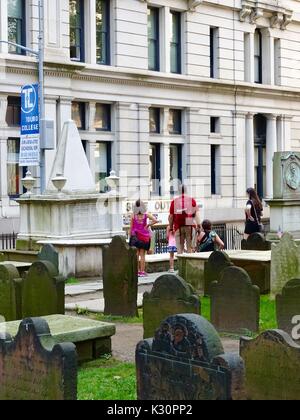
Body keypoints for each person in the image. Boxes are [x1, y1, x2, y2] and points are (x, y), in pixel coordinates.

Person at [169, 185, 201, 254]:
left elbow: (171, 217)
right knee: (190, 248)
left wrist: (171, 228)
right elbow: (196, 215)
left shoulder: (174, 202)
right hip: (189, 225)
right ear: (186, 191)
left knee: (179, 249)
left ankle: (180, 263)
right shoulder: (192, 200)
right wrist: (199, 225)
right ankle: (190, 263)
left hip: (178, 226)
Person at [130, 200, 158, 277]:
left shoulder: (133, 215)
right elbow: (155, 220)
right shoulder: (146, 215)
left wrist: (130, 237)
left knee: (136, 254)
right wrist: (148, 225)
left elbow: (131, 227)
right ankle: (142, 272)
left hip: (135, 236)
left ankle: (137, 271)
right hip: (144, 237)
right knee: (142, 255)